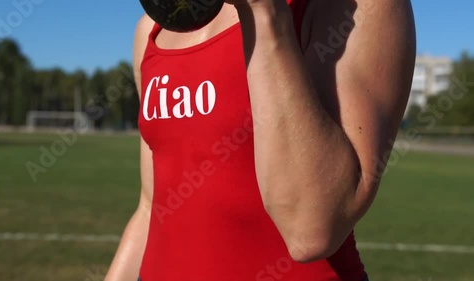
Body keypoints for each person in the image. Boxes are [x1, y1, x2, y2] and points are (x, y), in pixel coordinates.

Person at [105, 0, 416, 280]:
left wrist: (263, 11)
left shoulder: (358, 6)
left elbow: (311, 231)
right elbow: (150, 207)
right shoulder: (155, 25)